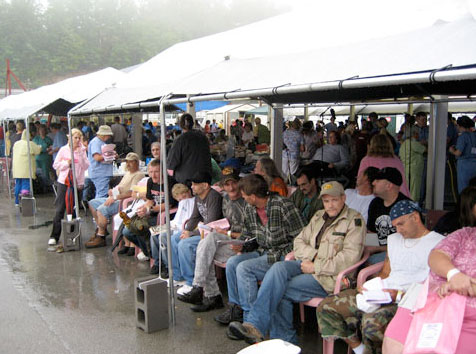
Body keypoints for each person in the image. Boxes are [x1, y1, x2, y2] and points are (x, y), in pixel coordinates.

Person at [227, 181, 366, 344]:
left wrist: (317, 265)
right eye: (326, 201)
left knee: (280, 289)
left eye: (334, 200)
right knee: (279, 268)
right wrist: (313, 258)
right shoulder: (319, 216)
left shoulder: (354, 220)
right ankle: (260, 329)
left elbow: (349, 258)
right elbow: (299, 241)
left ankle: (274, 335)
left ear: (343, 198)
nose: (330, 205)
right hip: (307, 264)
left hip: (328, 276)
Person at [318, 200, 444, 354]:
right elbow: (385, 273)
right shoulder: (394, 240)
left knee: (371, 323)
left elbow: (434, 286)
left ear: (415, 218)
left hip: (408, 300)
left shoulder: (438, 243)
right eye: (395, 225)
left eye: (401, 224)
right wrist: (368, 286)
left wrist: (398, 294)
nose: (397, 230)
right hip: (383, 293)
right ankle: (359, 349)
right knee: (326, 306)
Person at [214, 174, 305, 326]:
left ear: (253, 196)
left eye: (244, 194)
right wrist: (241, 244)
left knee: (244, 268)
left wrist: (290, 253)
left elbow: (302, 235)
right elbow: (248, 235)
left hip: (281, 254)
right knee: (232, 263)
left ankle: (251, 320)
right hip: (262, 250)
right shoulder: (250, 209)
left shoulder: (283, 206)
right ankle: (236, 308)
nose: (242, 197)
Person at [177, 167, 247, 312]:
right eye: (227, 185)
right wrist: (189, 230)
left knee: (207, 246)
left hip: (243, 245)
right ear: (223, 186)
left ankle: (203, 291)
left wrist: (227, 234)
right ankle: (210, 295)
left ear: (240, 183)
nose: (231, 187)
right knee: (205, 247)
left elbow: (250, 234)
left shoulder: (247, 199)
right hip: (227, 241)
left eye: (234, 183)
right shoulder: (226, 199)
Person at [172, 171, 223, 295]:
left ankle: (191, 282)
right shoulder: (198, 197)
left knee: (184, 245)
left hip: (211, 234)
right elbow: (195, 217)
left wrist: (191, 234)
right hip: (200, 231)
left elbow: (211, 222)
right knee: (173, 239)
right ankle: (178, 276)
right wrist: (186, 230)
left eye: (195, 184)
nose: (192, 187)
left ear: (205, 185)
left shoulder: (213, 197)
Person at [85, 153, 145, 249]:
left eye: (131, 162)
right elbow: (120, 187)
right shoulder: (127, 174)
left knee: (101, 209)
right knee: (92, 203)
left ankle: (101, 236)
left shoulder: (138, 175)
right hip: (116, 197)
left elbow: (131, 193)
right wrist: (112, 192)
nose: (128, 164)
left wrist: (115, 197)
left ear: (136, 163)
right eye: (127, 162)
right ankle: (101, 228)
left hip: (124, 201)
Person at [122, 159, 177, 260]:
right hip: (153, 213)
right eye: (151, 172)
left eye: (156, 172)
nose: (153, 175)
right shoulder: (150, 181)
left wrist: (150, 210)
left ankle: (156, 258)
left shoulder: (170, 182)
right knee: (127, 231)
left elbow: (169, 205)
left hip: (166, 216)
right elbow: (150, 200)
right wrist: (144, 208)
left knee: (140, 227)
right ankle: (150, 254)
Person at [48, 129, 89, 248]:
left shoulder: (82, 151)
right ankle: (54, 236)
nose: (77, 140)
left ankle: (73, 235)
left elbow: (86, 166)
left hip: (77, 183)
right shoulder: (63, 150)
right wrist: (66, 163)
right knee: (60, 209)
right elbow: (55, 165)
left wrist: (81, 154)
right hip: (64, 182)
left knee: (74, 209)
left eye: (79, 138)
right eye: (75, 138)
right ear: (69, 138)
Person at [149, 183, 194, 274]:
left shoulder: (193, 202)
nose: (183, 200)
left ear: (189, 192)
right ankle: (157, 262)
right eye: (180, 199)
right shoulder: (182, 204)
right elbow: (177, 219)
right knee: (154, 233)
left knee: (163, 237)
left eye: (184, 196)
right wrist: (164, 226)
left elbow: (187, 220)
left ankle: (168, 265)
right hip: (175, 225)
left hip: (183, 228)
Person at [367, 167, 409, 264]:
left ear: (389, 185)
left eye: (377, 180)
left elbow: (409, 243)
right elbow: (371, 233)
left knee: (372, 262)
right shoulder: (375, 203)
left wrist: (377, 248)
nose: (373, 183)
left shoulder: (406, 207)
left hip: (400, 255)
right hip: (377, 252)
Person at [167, 113, 212, 185]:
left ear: (180, 125)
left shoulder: (180, 140)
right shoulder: (203, 137)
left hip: (187, 180)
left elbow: (172, 162)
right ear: (193, 123)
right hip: (205, 177)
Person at [12, 130, 41, 205]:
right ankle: (24, 202)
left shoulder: (16, 144)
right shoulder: (30, 144)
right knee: (26, 183)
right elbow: (37, 151)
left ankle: (17, 201)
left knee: (18, 183)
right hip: (26, 169)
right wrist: (40, 147)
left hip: (17, 169)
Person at [449, 115, 476, 193]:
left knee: (464, 189)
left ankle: (464, 204)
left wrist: (452, 150)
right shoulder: (474, 135)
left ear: (460, 126)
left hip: (464, 166)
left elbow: (458, 153)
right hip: (474, 164)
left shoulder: (463, 137)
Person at [399, 126, 426, 202]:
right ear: (414, 134)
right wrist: (424, 143)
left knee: (408, 190)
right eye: (417, 133)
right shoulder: (413, 143)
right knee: (414, 191)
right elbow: (424, 150)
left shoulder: (404, 144)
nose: (418, 135)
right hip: (414, 171)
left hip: (406, 170)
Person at [87, 125, 115, 199]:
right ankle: (98, 209)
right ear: (104, 135)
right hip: (100, 173)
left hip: (101, 172)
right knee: (102, 195)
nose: (109, 137)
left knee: (101, 193)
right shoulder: (96, 142)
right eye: (108, 135)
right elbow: (97, 157)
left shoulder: (99, 142)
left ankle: (97, 209)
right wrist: (111, 154)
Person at [32, 124, 53, 189]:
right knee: (38, 173)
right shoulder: (36, 139)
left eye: (43, 130)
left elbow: (51, 147)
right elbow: (35, 148)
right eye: (41, 130)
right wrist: (45, 149)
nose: (42, 131)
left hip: (46, 159)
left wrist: (44, 149)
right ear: (38, 131)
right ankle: (40, 186)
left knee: (46, 172)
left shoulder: (48, 139)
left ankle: (46, 187)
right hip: (37, 159)